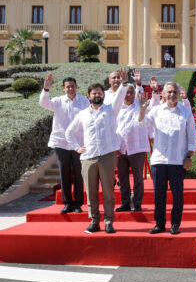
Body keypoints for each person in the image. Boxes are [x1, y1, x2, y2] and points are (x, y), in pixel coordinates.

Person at [65, 68, 130, 234]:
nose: (97, 95)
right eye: (94, 93)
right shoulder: (82, 114)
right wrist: (76, 147)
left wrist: (123, 83)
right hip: (88, 158)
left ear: (103, 95)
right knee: (91, 193)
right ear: (89, 96)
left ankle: (109, 221)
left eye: (100, 93)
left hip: (107, 156)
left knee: (108, 191)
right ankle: (94, 221)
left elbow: (120, 96)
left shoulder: (110, 110)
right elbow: (69, 132)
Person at [139, 82, 196, 235]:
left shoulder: (185, 112)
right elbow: (142, 123)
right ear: (163, 94)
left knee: (177, 194)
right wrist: (142, 109)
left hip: (178, 160)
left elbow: (191, 135)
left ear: (178, 94)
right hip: (159, 159)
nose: (172, 95)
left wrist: (189, 156)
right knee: (159, 194)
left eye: (174, 92)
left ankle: (175, 224)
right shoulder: (156, 110)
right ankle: (159, 223)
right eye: (169, 92)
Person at [39, 73, 89, 214]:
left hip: (79, 143)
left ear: (76, 87)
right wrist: (46, 89)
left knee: (79, 174)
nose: (70, 88)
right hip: (61, 142)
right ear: (63, 89)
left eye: (72, 86)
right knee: (64, 173)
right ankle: (67, 203)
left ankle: (78, 203)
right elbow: (43, 103)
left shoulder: (84, 101)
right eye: (68, 87)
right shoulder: (58, 101)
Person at [114, 77, 156, 212]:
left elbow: (152, 103)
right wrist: (115, 147)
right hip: (120, 148)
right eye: (126, 92)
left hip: (137, 148)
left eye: (131, 92)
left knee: (138, 178)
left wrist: (139, 84)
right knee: (123, 178)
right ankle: (125, 202)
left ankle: (137, 203)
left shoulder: (140, 105)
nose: (129, 95)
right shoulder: (116, 108)